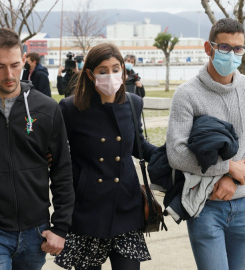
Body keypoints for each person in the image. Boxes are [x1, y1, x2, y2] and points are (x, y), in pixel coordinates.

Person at [0, 28, 75, 270]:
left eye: (15, 64)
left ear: (24, 60)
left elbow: (62, 170)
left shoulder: (47, 108)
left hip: (36, 232)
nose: (9, 74)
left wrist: (60, 227)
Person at [54, 43, 158, 270]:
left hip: (127, 207)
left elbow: (138, 146)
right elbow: (59, 158)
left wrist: (170, 154)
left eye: (115, 68)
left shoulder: (133, 103)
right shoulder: (70, 108)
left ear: (123, 69)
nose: (110, 75)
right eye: (102, 70)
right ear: (90, 74)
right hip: (87, 211)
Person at [166, 18, 245, 270]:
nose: (231, 54)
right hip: (205, 206)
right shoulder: (187, 94)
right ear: (208, 48)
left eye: (238, 49)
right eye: (224, 48)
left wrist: (234, 179)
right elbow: (177, 155)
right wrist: (227, 168)